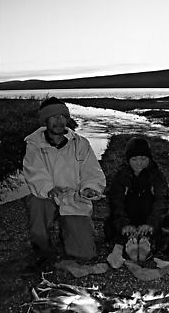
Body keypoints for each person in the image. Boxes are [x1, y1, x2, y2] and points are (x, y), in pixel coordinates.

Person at [23, 96, 106, 262]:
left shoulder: (81, 143)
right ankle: (41, 246)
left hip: (73, 198)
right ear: (45, 120)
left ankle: (67, 232)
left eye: (62, 117)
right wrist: (48, 189)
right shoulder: (34, 144)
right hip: (47, 196)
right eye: (53, 117)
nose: (59, 121)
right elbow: (34, 172)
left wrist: (89, 188)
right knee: (37, 205)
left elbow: (92, 171)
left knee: (85, 254)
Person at [105, 136, 169, 263]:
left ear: (149, 159)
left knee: (162, 228)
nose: (139, 163)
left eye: (143, 159)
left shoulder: (157, 176)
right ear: (128, 160)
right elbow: (115, 203)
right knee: (112, 227)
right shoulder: (121, 176)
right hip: (127, 218)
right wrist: (124, 224)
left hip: (149, 218)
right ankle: (129, 244)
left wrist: (151, 223)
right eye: (134, 159)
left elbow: (161, 202)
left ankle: (146, 243)